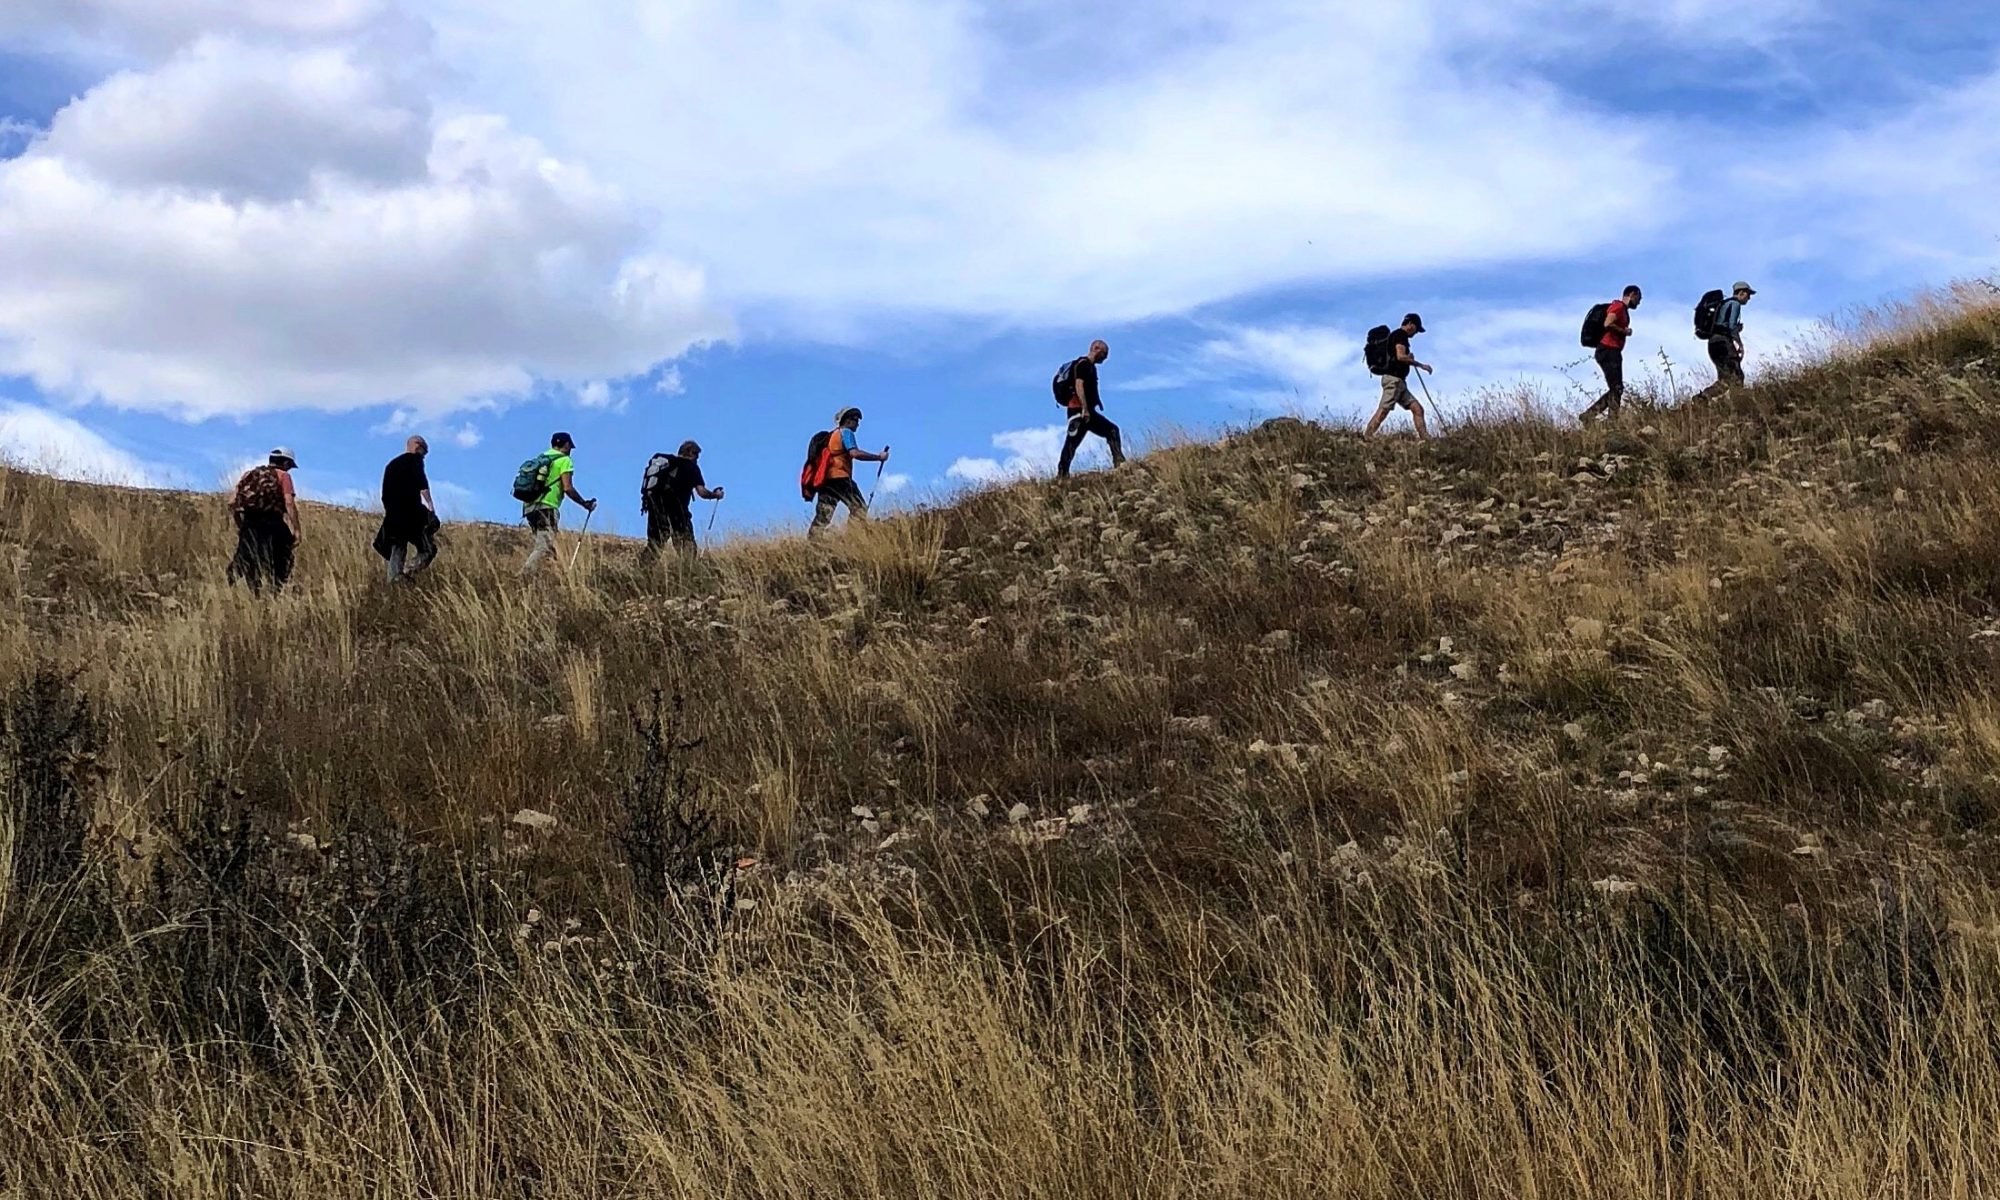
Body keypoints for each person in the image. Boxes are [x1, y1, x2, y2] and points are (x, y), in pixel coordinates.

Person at [519, 431, 596, 574]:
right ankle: (524, 575)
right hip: (548, 506)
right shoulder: (564, 460)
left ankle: (558, 574)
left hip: (529, 507)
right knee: (543, 546)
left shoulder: (542, 458)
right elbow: (568, 488)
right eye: (570, 447)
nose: (570, 451)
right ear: (566, 445)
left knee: (546, 545)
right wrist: (584, 504)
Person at [227, 447, 301, 595]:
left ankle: (230, 590)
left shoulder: (249, 474)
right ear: (286, 463)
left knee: (244, 560)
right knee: (283, 558)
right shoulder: (283, 476)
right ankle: (275, 592)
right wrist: (297, 530)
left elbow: (231, 502)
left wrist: (240, 525)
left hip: (249, 523)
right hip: (272, 522)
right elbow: (289, 503)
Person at [808, 408, 889, 538]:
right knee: (859, 508)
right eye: (856, 420)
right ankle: (853, 537)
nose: (858, 424)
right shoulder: (846, 432)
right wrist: (879, 457)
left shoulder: (831, 436)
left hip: (826, 481)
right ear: (848, 420)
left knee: (823, 515)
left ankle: (812, 542)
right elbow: (854, 453)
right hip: (841, 478)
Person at [640, 439, 724, 562]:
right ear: (690, 452)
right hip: (677, 512)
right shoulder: (690, 467)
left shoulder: (668, 466)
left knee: (655, 545)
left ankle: (641, 572)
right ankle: (687, 574)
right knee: (687, 548)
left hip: (655, 508)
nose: (697, 459)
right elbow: (701, 492)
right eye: (696, 455)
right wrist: (716, 495)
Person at [373, 435, 439, 583]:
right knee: (428, 550)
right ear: (417, 446)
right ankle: (408, 571)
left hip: (394, 515)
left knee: (398, 546)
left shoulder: (391, 465)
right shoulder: (415, 460)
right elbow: (422, 483)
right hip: (412, 513)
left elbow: (384, 494)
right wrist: (430, 506)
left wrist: (391, 511)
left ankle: (395, 581)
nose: (424, 456)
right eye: (424, 451)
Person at [1055, 339, 1123, 479]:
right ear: (1096, 349)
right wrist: (1085, 409)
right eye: (1105, 354)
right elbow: (1079, 385)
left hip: (1081, 411)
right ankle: (1119, 464)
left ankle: (1062, 475)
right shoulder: (1084, 365)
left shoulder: (1089, 366)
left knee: (1072, 443)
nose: (1106, 358)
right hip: (1080, 412)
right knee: (1111, 431)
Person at [1580, 286, 1643, 423]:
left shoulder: (1623, 310)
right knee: (1617, 388)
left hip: (1610, 350)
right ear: (1632, 294)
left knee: (1616, 388)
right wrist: (1623, 331)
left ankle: (1600, 417)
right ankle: (1607, 420)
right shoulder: (1618, 307)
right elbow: (1608, 323)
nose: (1639, 302)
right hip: (1608, 349)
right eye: (1639, 298)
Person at [1365, 314, 1433, 439]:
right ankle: (1367, 435)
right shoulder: (1400, 335)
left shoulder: (1398, 336)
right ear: (1410, 324)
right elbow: (1400, 356)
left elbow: (1400, 356)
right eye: (1416, 329)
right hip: (1393, 380)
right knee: (1384, 409)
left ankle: (1425, 438)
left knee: (1417, 409)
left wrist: (1410, 359)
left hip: (1399, 382)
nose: (1416, 332)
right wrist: (1420, 365)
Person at [1698, 282, 1755, 400]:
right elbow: (1731, 326)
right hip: (1724, 344)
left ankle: (1702, 398)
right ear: (1741, 293)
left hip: (1713, 344)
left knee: (1725, 379)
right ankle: (1740, 402)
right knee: (1737, 375)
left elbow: (1722, 324)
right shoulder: (1735, 304)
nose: (1749, 298)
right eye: (1748, 295)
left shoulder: (1722, 305)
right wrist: (1739, 343)